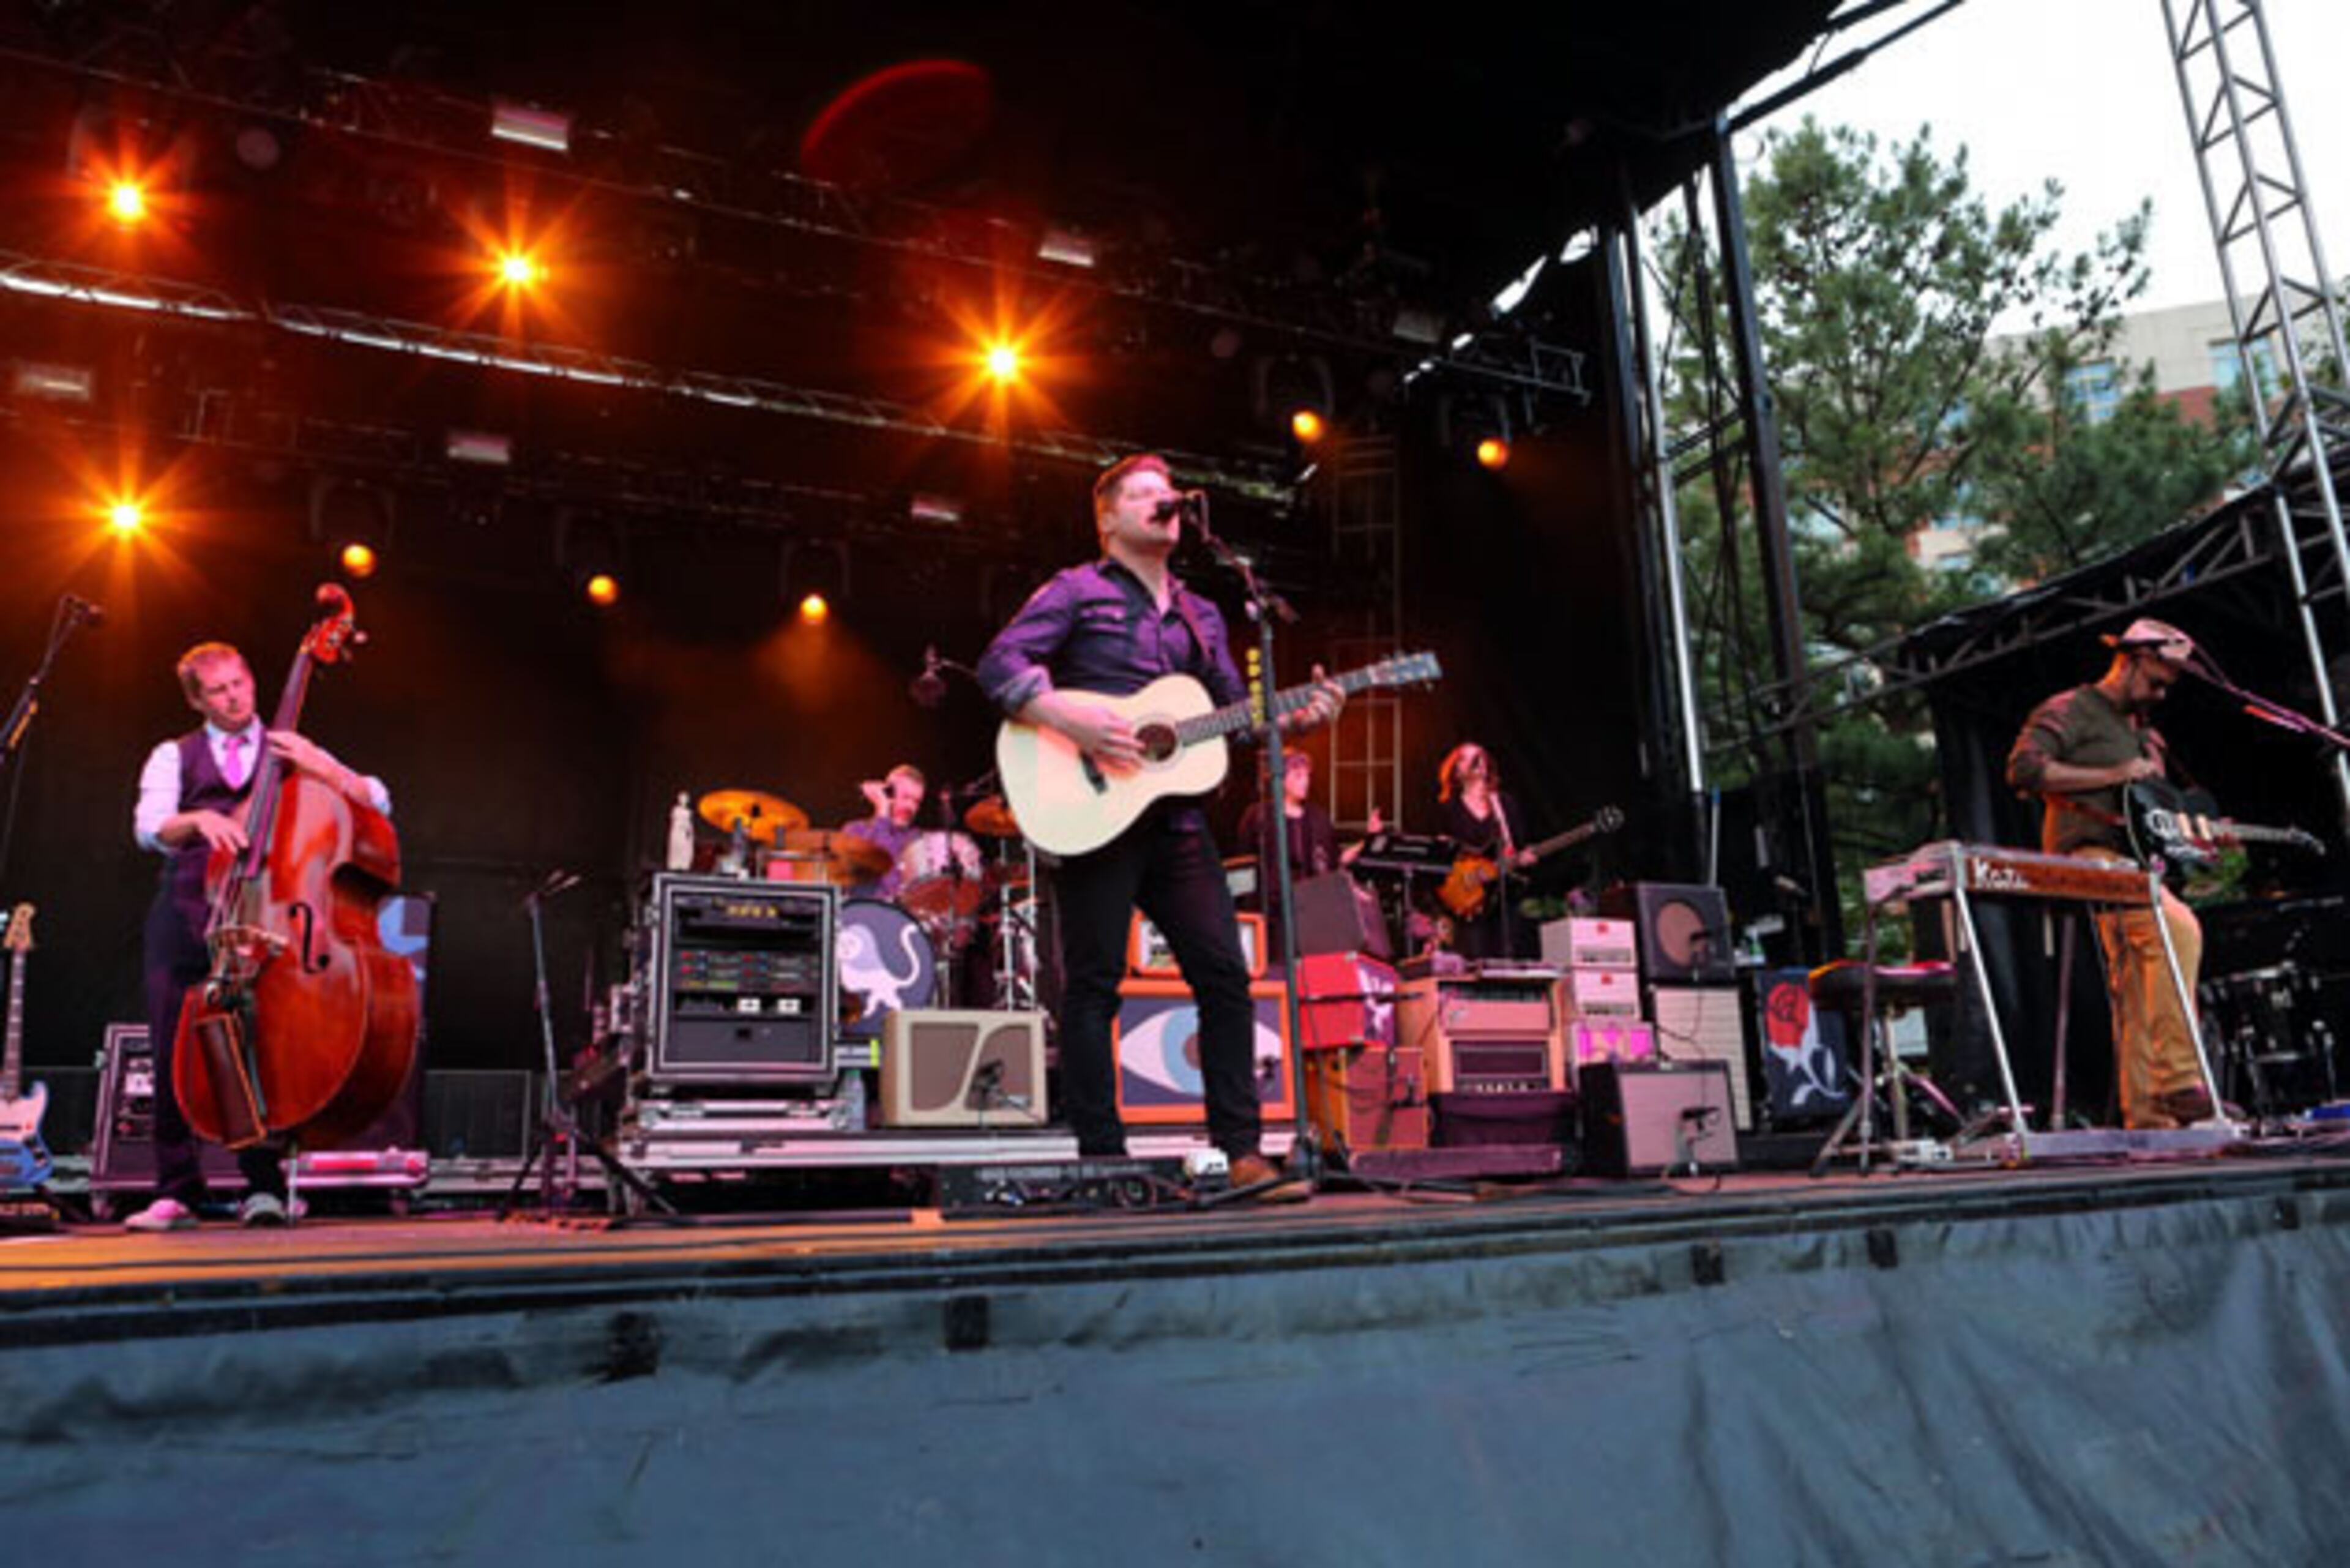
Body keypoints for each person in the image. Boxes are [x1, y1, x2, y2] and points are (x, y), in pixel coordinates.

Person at [976, 453, 1341, 1192]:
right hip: (1094, 814)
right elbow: (1000, 663)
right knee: (1094, 987)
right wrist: (1068, 718)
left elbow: (1236, 715)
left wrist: (1294, 718)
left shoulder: (1202, 615)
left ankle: (1241, 1152)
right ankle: (1104, 1161)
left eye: (1170, 491)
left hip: (1176, 823)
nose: (1166, 500)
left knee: (1226, 977)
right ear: (1109, 518)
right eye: (1146, 492)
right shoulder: (1077, 590)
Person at [125, 641, 393, 1231]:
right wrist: (199, 820)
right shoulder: (174, 755)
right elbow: (149, 828)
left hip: (268, 922)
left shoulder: (288, 746)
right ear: (197, 700)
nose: (234, 698)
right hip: (189, 913)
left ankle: (264, 1188)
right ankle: (176, 1191)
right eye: (218, 691)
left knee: (261, 1050)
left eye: (240, 683)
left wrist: (326, 769)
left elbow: (379, 799)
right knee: (174, 1048)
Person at [2005, 618, 2215, 1130]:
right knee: (2177, 929)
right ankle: (2177, 1078)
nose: (2162, 694)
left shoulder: (2147, 736)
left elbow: (2154, 817)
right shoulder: (2070, 709)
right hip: (2086, 854)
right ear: (2132, 659)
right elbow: (2023, 770)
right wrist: (2112, 775)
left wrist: (2196, 836)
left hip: (2135, 863)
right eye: (2158, 681)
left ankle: (2149, 1114)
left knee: (2139, 985)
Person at [1434, 742, 1535, 960]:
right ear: (1456, 770)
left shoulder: (1504, 804)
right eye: (1467, 758)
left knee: (1507, 957)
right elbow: (1441, 858)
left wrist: (1523, 858)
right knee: (1474, 960)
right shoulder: (1449, 809)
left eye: (1480, 756)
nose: (1477, 762)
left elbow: (1518, 847)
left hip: (1503, 898)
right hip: (1470, 899)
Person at [841, 763, 927, 901]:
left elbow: (892, 885)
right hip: (861, 911)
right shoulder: (854, 830)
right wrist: (882, 812)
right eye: (906, 797)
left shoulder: (916, 839)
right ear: (888, 793)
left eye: (917, 802)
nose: (910, 806)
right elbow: (873, 868)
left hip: (900, 913)